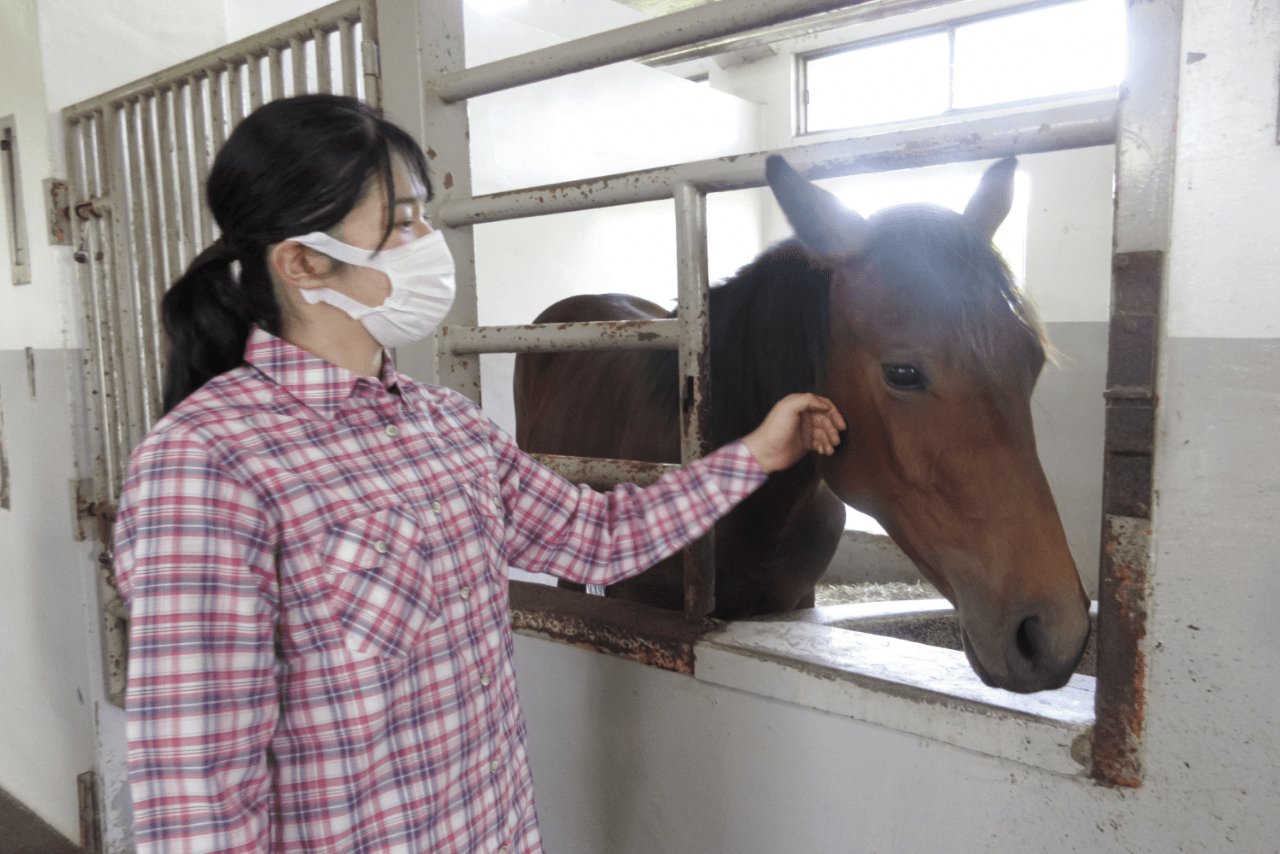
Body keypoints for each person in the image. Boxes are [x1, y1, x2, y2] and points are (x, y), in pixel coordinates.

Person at [113, 93, 844, 854]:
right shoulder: (205, 465)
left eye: (423, 216)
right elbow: (197, 792)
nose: (429, 242)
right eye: (399, 224)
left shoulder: (446, 426)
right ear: (301, 262)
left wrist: (756, 453)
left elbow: (598, 538)